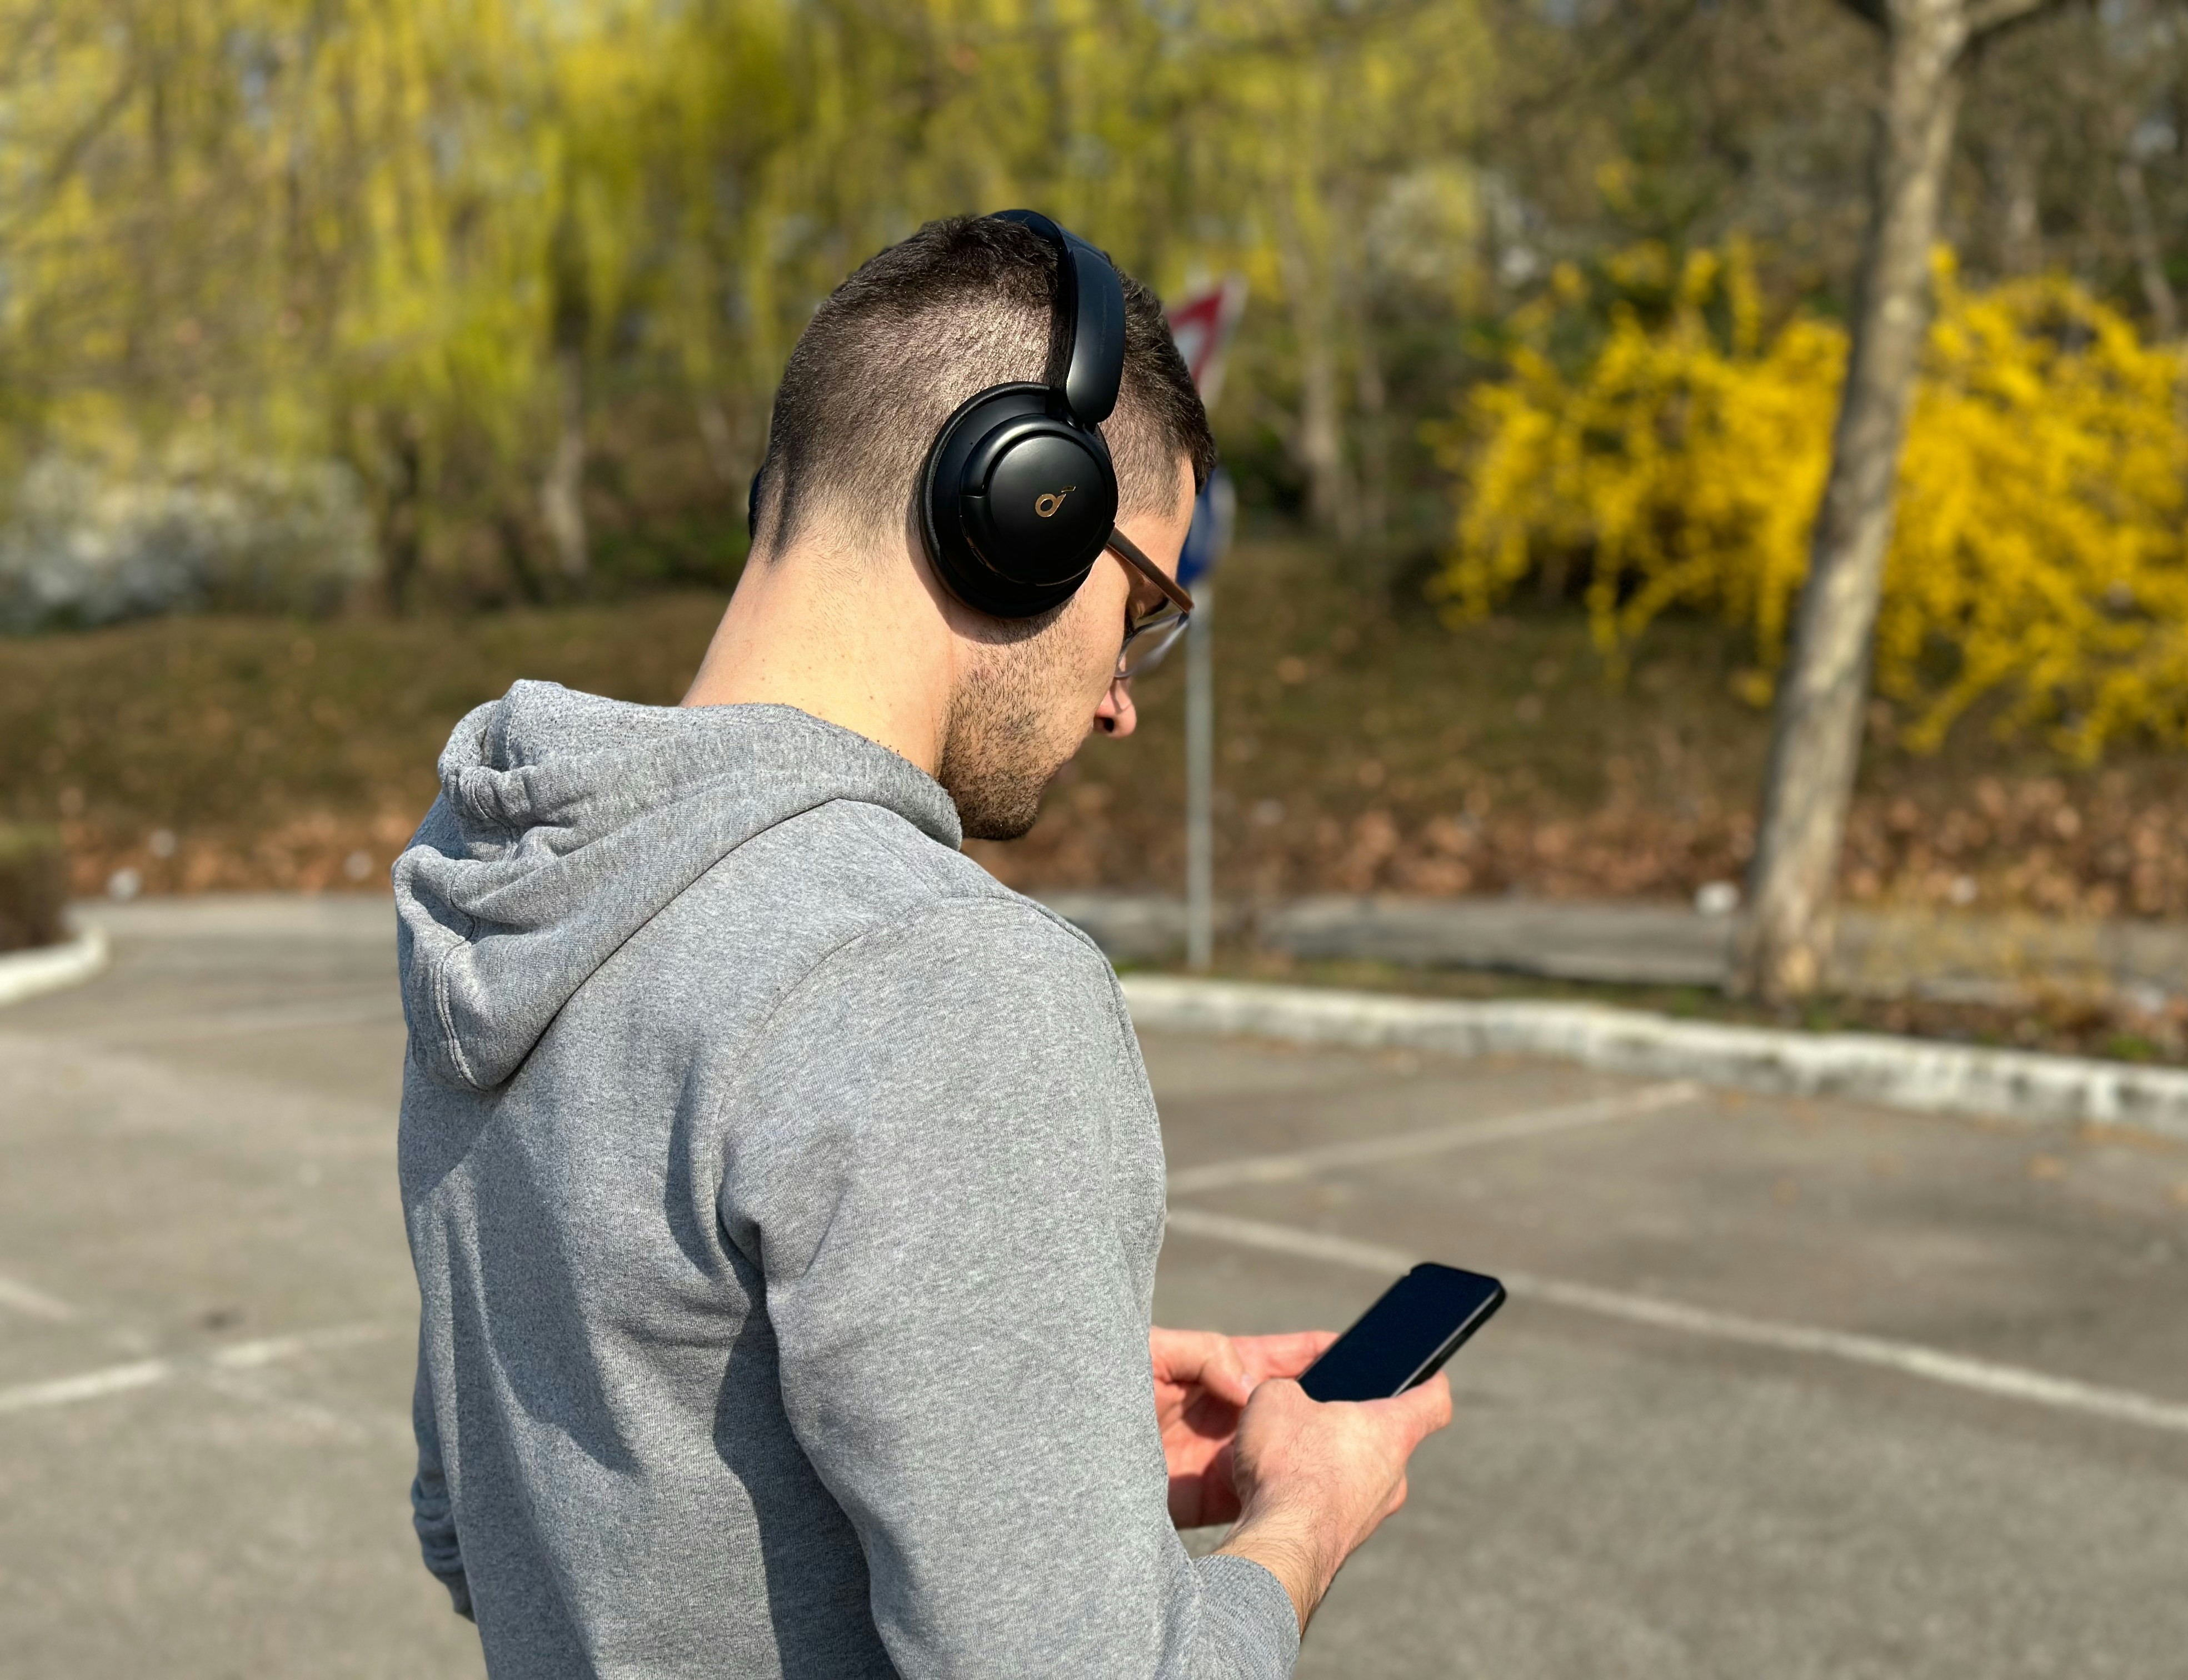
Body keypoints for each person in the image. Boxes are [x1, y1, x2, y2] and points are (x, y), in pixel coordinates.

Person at [393, 211, 1452, 1680]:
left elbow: (482, 1525)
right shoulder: (937, 977)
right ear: (1022, 512)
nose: (1121, 699)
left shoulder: (508, 891)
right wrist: (1304, 1521)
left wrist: (1015, 1465)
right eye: (1143, 607)